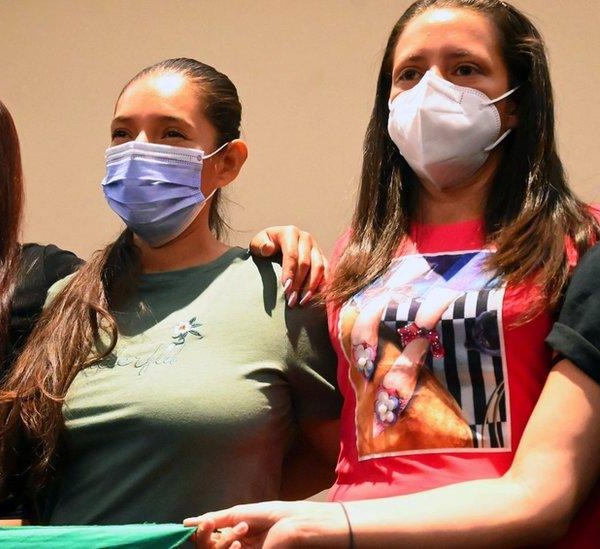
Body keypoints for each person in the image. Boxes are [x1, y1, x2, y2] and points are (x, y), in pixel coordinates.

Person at [187, 1, 600, 546]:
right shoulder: (358, 252)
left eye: (465, 69)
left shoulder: (580, 243)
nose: (433, 89)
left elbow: (544, 496)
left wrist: (325, 525)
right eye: (410, 72)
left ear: (516, 102)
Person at [0, 58, 342, 526]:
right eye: (122, 134)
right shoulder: (67, 298)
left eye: (172, 133)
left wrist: (224, 514)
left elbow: (335, 456)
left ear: (226, 162)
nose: (138, 152)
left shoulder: (281, 293)